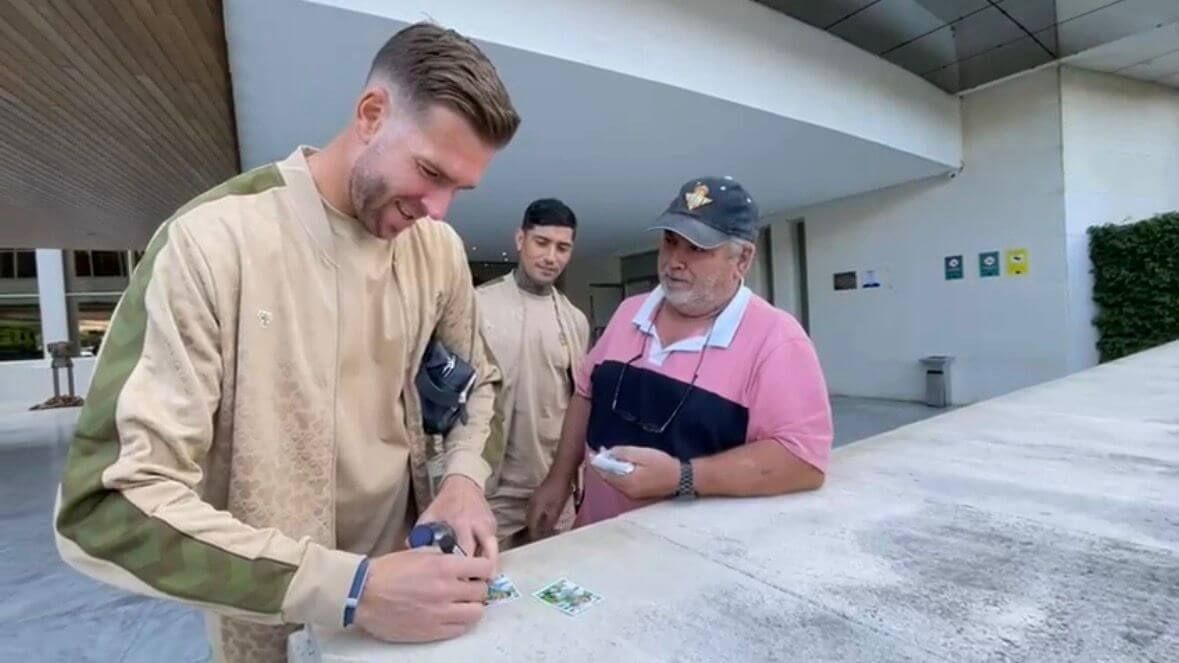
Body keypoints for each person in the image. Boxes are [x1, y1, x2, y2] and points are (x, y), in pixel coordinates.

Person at [53, 23, 520, 663]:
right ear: (371, 114)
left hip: (414, 610)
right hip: (266, 631)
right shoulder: (210, 244)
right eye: (429, 172)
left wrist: (463, 478)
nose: (439, 209)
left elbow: (480, 387)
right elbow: (107, 507)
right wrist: (350, 588)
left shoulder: (435, 252)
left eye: (458, 190)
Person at [527, 177, 833, 537]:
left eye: (698, 249)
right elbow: (586, 393)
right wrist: (560, 477)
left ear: (743, 258)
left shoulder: (777, 340)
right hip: (594, 538)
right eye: (670, 242)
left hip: (689, 558)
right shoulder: (630, 312)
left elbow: (803, 461)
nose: (674, 261)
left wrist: (682, 477)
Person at [477, 199, 590, 550]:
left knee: (554, 588)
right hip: (490, 491)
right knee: (485, 591)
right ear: (520, 239)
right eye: (541, 243)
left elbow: (579, 403)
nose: (550, 257)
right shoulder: (476, 306)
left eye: (562, 248)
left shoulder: (574, 320)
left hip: (556, 489)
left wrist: (567, 480)